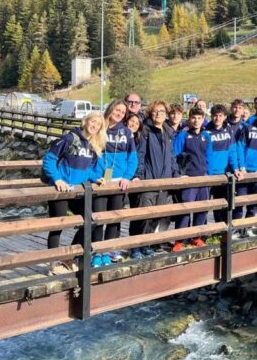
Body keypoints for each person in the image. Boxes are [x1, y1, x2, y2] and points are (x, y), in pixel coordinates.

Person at [42, 111, 106, 273]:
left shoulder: (92, 146)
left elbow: (86, 170)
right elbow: (49, 160)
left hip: (77, 191)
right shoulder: (69, 139)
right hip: (61, 189)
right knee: (58, 226)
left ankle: (70, 256)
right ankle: (53, 264)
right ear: (86, 121)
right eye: (93, 121)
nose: (95, 126)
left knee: (91, 221)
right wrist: (57, 179)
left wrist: (96, 178)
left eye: (98, 125)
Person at [131, 101, 180, 259]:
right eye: (155, 111)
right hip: (149, 179)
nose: (158, 114)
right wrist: (138, 175)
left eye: (161, 111)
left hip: (164, 182)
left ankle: (147, 245)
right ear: (150, 114)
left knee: (156, 216)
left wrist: (176, 174)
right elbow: (140, 154)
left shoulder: (168, 132)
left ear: (166, 114)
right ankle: (135, 247)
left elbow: (171, 157)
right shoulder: (146, 131)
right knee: (143, 215)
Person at [96, 100, 138, 265]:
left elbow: (132, 158)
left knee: (114, 219)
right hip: (101, 181)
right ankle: (96, 252)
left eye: (123, 112)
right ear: (110, 108)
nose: (119, 114)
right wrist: (98, 175)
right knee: (98, 219)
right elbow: (93, 154)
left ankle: (107, 251)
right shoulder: (99, 127)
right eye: (117, 110)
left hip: (119, 182)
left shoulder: (126, 132)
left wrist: (127, 176)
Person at [173, 107, 213, 251]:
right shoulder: (183, 136)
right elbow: (175, 155)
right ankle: (180, 239)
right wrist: (180, 174)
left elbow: (209, 156)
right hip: (188, 178)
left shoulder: (206, 136)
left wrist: (208, 174)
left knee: (202, 209)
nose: (196, 121)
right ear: (189, 119)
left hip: (203, 178)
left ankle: (196, 237)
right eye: (194, 118)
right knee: (185, 208)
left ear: (203, 120)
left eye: (199, 118)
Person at [206, 104, 239, 224]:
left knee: (222, 205)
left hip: (223, 174)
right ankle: (203, 231)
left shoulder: (229, 130)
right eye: (215, 115)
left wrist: (236, 168)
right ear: (211, 116)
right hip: (209, 174)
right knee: (205, 205)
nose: (217, 118)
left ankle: (221, 229)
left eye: (220, 116)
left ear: (225, 117)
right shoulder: (205, 131)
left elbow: (232, 152)